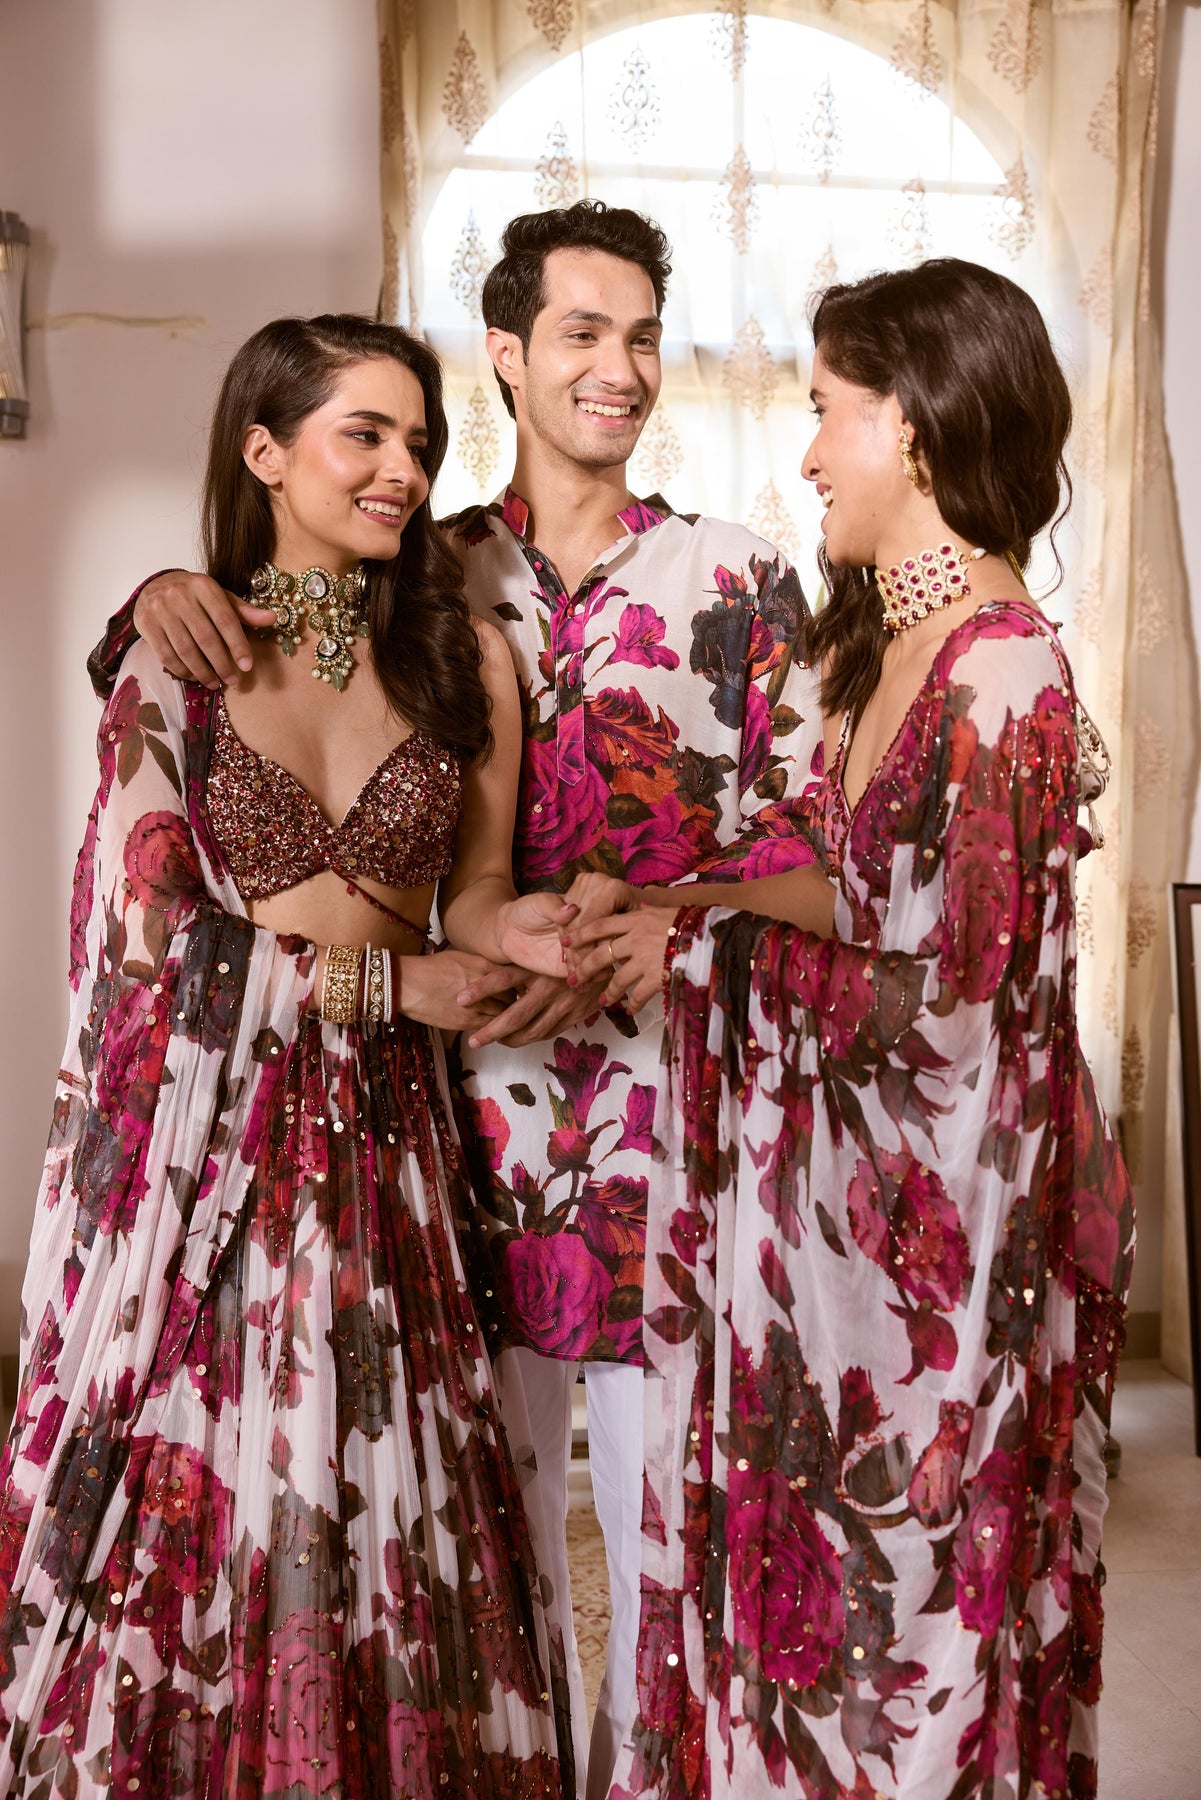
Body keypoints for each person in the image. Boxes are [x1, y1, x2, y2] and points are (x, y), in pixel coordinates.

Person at [83, 202, 829, 1800]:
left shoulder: (720, 583)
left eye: (644, 336)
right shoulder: (428, 576)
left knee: (650, 1545)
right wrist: (154, 591)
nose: (618, 367)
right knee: (427, 1537)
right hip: (453, 1131)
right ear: (508, 351)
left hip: (656, 1135)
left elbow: (801, 844)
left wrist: (612, 930)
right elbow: (201, 867)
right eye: (582, 332)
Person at [564, 259, 1135, 1798]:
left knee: (903, 1631)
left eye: (828, 413)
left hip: (922, 1261)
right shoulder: (881, 644)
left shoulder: (1003, 669)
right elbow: (844, 883)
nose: (808, 453)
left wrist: (691, 949)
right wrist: (675, 895)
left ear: (918, 426)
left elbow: (948, 1001)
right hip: (814, 1237)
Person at [0, 313, 580, 1798]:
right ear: (263, 452)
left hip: (385, 1150)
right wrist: (395, 981)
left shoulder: (464, 660)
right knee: (207, 1490)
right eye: (361, 435)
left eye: (418, 441)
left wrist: (531, 936)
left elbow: (478, 893)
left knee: (377, 1493)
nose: (401, 470)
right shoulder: (177, 656)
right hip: (210, 1156)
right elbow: (151, 932)